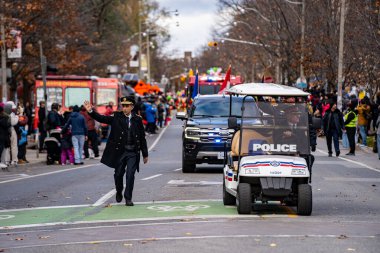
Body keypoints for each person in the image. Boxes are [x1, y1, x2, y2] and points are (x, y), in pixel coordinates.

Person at [84, 96, 148, 206]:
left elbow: (142, 137)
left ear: (132, 106)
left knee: (130, 174)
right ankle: (119, 191)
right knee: (118, 174)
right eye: (123, 106)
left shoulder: (137, 119)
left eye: (127, 106)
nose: (124, 108)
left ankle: (128, 198)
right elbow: (102, 118)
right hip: (119, 151)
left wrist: (145, 154)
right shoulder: (116, 116)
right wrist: (91, 111)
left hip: (132, 152)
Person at [0, 104, 11, 169]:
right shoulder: (5, 118)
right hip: (3, 135)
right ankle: (3, 162)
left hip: (3, 135)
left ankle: (3, 162)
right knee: (2, 149)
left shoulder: (5, 117)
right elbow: (7, 125)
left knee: (3, 149)